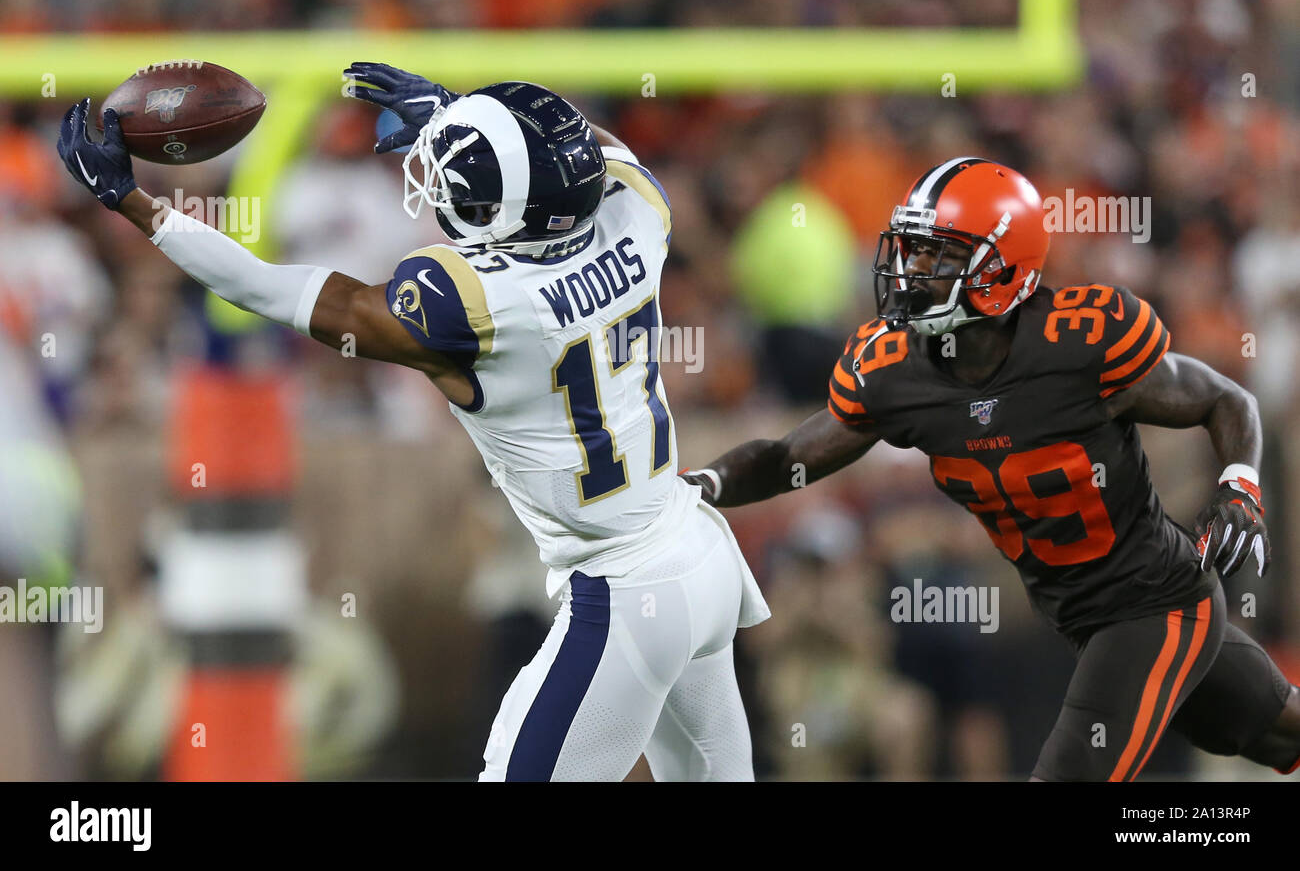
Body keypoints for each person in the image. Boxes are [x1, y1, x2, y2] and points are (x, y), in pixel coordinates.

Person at [55, 64, 768, 782]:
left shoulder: (477, 307)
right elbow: (590, 149)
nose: (440, 189)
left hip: (624, 591)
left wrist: (136, 204)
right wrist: (457, 115)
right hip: (696, 547)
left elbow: (276, 290)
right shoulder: (637, 212)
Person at [683, 157, 1300, 781]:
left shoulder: (1079, 341)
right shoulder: (896, 371)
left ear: (1004, 266)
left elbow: (1226, 400)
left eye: (939, 255)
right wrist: (702, 487)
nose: (913, 271)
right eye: (912, 251)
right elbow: (788, 458)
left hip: (1157, 602)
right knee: (1279, 735)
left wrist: (1240, 484)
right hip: (1076, 613)